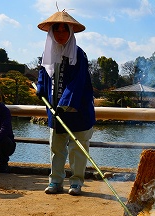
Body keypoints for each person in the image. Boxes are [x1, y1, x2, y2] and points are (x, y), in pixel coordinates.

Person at [36, 10, 95, 196]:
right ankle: (55, 181)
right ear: (51, 33)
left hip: (77, 109)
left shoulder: (79, 55)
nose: (60, 34)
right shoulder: (48, 53)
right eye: (57, 31)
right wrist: (40, 88)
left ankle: (76, 182)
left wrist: (65, 103)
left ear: (70, 32)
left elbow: (78, 82)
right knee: (56, 147)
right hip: (54, 109)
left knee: (78, 148)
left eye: (64, 30)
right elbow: (43, 74)